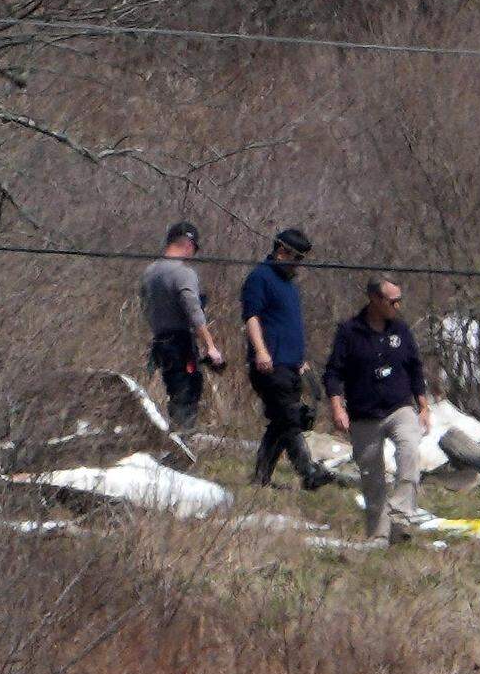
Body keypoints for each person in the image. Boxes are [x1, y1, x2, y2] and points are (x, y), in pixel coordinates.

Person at [324, 275, 431, 543]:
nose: (398, 306)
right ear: (375, 299)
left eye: (399, 301)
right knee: (372, 476)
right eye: (393, 301)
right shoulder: (349, 332)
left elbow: (415, 367)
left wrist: (423, 405)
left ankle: (400, 513)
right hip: (364, 414)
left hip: (399, 408)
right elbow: (334, 372)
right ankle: (380, 535)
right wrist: (337, 407)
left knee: (409, 453)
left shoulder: (401, 331)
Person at [241, 228, 334, 490]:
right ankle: (307, 472)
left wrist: (300, 360)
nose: (298, 265)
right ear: (282, 251)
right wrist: (261, 351)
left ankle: (260, 478)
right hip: (270, 363)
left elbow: (288, 325)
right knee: (290, 419)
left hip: (291, 363)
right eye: (296, 258)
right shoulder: (260, 277)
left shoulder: (289, 286)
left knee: (282, 421)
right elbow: (252, 317)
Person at [140, 221, 224, 432]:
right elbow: (194, 311)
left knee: (175, 392)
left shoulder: (149, 273)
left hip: (160, 343)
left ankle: (177, 442)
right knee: (187, 393)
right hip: (180, 344)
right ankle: (180, 447)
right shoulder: (183, 273)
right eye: (194, 249)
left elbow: (146, 307)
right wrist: (210, 346)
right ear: (188, 244)